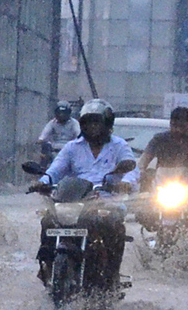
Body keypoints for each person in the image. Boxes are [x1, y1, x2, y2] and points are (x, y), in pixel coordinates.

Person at [33, 98, 136, 290]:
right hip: (75, 201)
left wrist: (125, 184)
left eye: (97, 122)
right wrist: (43, 181)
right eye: (88, 123)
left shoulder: (119, 146)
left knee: (112, 226)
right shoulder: (72, 147)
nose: (93, 127)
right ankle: (46, 267)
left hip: (106, 202)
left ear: (107, 124)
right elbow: (55, 169)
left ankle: (111, 275)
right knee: (48, 221)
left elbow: (131, 168)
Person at [137, 106, 188, 181]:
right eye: (174, 125)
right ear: (170, 123)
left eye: (182, 126)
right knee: (145, 192)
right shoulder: (159, 139)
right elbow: (145, 158)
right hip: (163, 183)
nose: (177, 130)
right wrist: (141, 170)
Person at [36, 101, 81, 166]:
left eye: (64, 113)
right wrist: (41, 139)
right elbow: (45, 133)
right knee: (45, 148)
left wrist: (79, 139)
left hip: (70, 148)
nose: (61, 115)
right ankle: (43, 168)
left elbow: (78, 133)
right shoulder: (52, 123)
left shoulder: (74, 123)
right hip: (55, 149)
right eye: (59, 113)